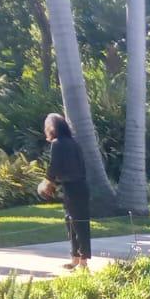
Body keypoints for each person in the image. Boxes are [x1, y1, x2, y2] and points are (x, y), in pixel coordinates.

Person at [42, 113, 91, 269]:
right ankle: (76, 258)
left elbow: (54, 166)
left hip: (72, 187)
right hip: (79, 186)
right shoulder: (74, 143)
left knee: (77, 223)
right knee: (73, 222)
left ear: (52, 128)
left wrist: (48, 183)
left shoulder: (57, 144)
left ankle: (82, 261)